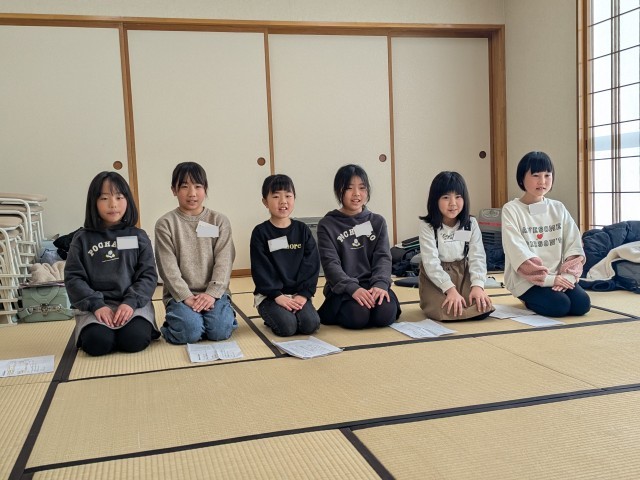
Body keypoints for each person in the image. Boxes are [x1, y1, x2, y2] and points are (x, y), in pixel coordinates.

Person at [65, 171, 159, 356]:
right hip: (95, 307)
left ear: (128, 200)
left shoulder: (138, 236)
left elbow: (148, 275)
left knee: (134, 340)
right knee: (97, 343)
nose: (113, 204)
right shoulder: (82, 239)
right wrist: (96, 305)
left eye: (119, 197)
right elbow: (73, 278)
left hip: (133, 305)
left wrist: (130, 302)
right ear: (93, 202)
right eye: (104, 198)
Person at [154, 162, 237, 344]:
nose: (192, 193)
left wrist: (212, 293)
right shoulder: (165, 224)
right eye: (184, 186)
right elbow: (167, 268)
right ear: (174, 190)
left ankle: (215, 316)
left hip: (215, 292)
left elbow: (225, 261)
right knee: (189, 332)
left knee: (220, 330)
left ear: (205, 189)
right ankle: (178, 324)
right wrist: (186, 296)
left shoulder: (219, 221)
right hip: (180, 294)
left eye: (198, 186)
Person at [502, 151, 591, 317]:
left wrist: (567, 276)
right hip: (527, 280)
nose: (542, 181)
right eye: (535, 175)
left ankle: (554, 291)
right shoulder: (511, 210)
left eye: (547, 175)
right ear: (521, 178)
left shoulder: (558, 208)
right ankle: (527, 299)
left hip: (559, 276)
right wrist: (548, 279)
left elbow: (574, 244)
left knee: (582, 305)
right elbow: (517, 251)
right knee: (560, 306)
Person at [317, 164, 400, 329]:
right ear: (339, 191)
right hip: (344, 288)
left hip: (373, 284)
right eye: (349, 188)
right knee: (357, 316)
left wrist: (380, 285)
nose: (356, 194)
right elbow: (330, 264)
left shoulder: (377, 222)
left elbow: (383, 257)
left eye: (362, 188)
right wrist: (352, 288)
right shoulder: (327, 224)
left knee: (384, 314)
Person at [250, 174, 321, 336]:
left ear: (294, 198)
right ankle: (273, 315)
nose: (283, 201)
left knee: (310, 324)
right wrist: (277, 295)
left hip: (298, 294)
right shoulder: (260, 232)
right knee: (287, 327)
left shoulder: (302, 230)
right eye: (276, 196)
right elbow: (260, 269)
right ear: (265, 202)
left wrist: (303, 295)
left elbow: (311, 264)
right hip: (271, 295)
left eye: (288, 196)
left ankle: (290, 312)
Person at [418, 171, 493, 321]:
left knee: (482, 305)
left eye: (458, 197)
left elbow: (477, 256)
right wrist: (450, 289)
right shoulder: (428, 226)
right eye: (446, 197)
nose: (453, 203)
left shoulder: (470, 224)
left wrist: (478, 286)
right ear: (435, 200)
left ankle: (465, 306)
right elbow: (431, 263)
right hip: (436, 277)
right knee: (445, 309)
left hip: (463, 274)